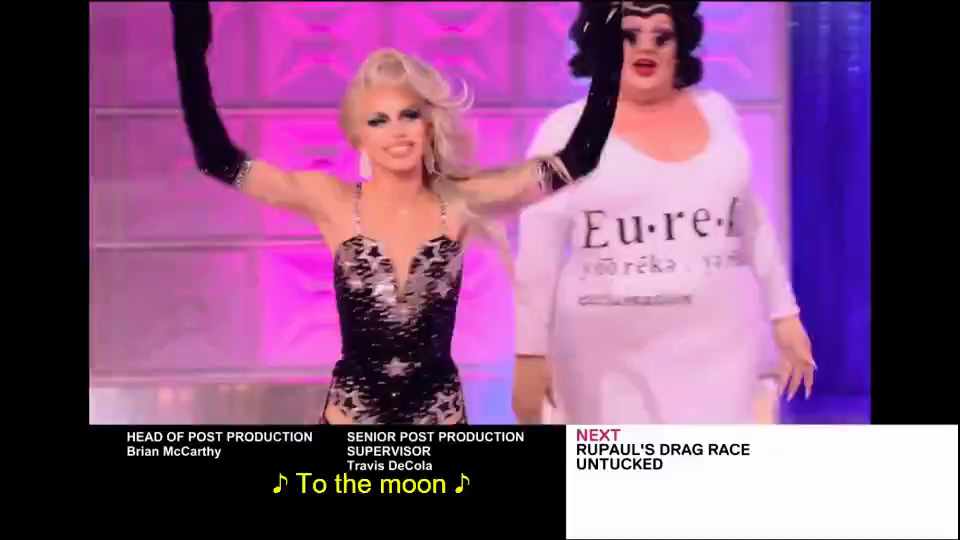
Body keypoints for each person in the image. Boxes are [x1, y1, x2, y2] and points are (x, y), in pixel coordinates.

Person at [169, 2, 623, 424]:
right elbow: (217, 158)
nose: (397, 132)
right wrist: (190, 46)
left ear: (428, 124)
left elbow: (578, 159)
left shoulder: (460, 200)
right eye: (378, 121)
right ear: (359, 137)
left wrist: (608, 51)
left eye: (408, 115)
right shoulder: (332, 201)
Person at [512, 1, 816, 424]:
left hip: (720, 351)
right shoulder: (564, 131)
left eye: (662, 36)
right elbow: (537, 255)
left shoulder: (717, 111)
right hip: (606, 361)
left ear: (680, 43)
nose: (646, 48)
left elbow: (751, 221)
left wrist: (785, 315)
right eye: (628, 36)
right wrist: (529, 354)